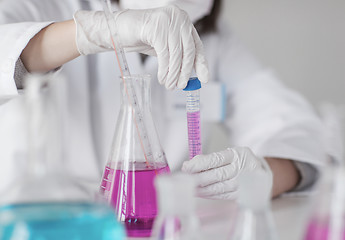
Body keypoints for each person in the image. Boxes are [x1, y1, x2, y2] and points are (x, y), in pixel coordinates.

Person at [0, 0, 327, 199]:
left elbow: (297, 129)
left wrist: (265, 175)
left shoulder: (214, 40)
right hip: (50, 219)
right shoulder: (44, 4)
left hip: (162, 222)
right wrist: (91, 33)